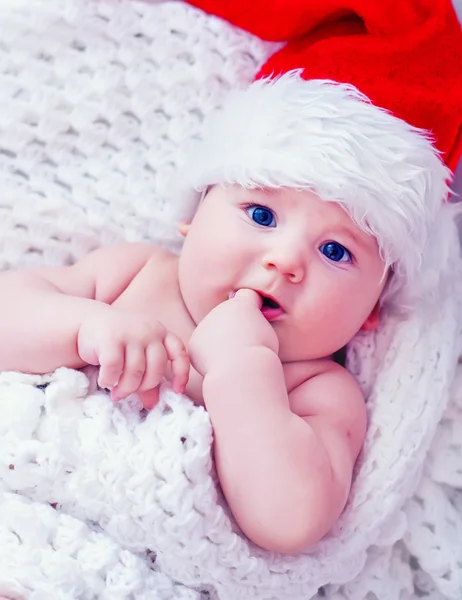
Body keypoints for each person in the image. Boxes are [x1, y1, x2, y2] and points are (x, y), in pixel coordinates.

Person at [0, 0, 461, 556]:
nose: (286, 261)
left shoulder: (318, 391)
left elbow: (290, 523)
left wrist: (245, 372)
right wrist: (83, 328)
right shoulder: (136, 274)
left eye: (336, 251)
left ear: (371, 311)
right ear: (192, 220)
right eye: (261, 216)